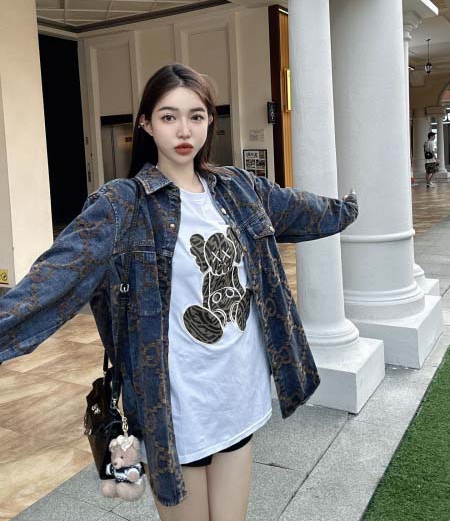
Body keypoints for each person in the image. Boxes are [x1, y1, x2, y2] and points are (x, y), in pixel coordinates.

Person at [0, 63, 358, 521]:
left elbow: (304, 210)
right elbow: (49, 284)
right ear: (147, 125)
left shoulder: (238, 188)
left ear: (210, 122)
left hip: (238, 389)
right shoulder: (122, 204)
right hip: (175, 405)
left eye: (196, 116)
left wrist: (350, 207)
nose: (184, 130)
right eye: (169, 117)